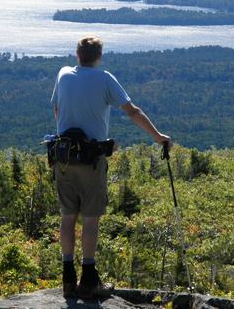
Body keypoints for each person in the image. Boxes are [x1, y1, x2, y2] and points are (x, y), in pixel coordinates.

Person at [51, 36, 170, 299]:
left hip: (63, 157)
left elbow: (57, 109)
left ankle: (68, 278)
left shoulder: (63, 74)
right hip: (91, 160)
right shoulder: (105, 78)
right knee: (90, 218)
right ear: (99, 56)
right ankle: (89, 280)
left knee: (68, 216)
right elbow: (132, 111)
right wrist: (158, 136)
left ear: (77, 54)